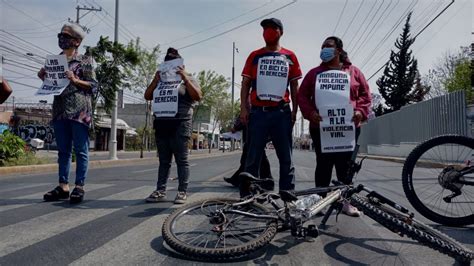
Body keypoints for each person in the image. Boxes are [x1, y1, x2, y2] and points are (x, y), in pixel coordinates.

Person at [297, 36, 371, 217]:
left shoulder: (354, 72)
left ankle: (345, 202)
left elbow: (365, 95)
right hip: (321, 128)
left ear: (338, 50)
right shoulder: (314, 73)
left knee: (345, 166)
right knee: (323, 164)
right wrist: (310, 113)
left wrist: (360, 111)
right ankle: (320, 201)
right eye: (322, 46)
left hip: (348, 128)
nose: (324, 49)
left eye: (328, 46)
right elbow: (302, 96)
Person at [240, 18, 302, 197]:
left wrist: (295, 111)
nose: (267, 31)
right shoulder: (254, 56)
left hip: (281, 113)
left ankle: (287, 196)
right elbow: (245, 84)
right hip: (258, 113)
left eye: (272, 28)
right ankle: (248, 197)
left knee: (286, 158)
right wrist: (244, 109)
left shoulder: (290, 57)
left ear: (280, 32)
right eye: (265, 28)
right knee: (252, 158)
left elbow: (295, 87)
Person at [40, 23, 97, 203]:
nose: (62, 39)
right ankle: (63, 186)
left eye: (66, 36)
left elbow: (94, 86)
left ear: (77, 41)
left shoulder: (86, 61)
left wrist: (75, 79)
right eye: (60, 35)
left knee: (81, 150)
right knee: (63, 151)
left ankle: (79, 186)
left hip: (79, 112)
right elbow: (51, 86)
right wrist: (43, 77)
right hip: (60, 111)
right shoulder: (55, 60)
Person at [144, 47, 202, 204]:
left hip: (181, 123)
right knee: (164, 161)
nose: (170, 66)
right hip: (162, 123)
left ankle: (182, 191)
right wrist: (156, 80)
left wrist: (185, 77)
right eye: (167, 63)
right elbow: (147, 95)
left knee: (181, 160)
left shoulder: (188, 78)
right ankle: (160, 190)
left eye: (173, 63)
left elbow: (198, 96)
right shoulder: (160, 80)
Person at [223, 112, 273, 188]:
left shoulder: (251, 106)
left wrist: (236, 128)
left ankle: (238, 180)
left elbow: (245, 118)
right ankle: (267, 181)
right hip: (257, 134)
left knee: (248, 159)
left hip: (253, 135)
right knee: (259, 158)